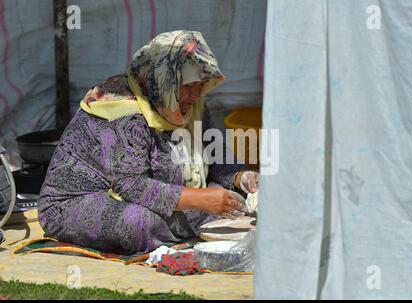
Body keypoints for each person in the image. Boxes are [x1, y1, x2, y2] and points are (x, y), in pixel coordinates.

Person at [37, 30, 259, 254]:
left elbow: (214, 153)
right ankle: (174, 238)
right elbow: (130, 185)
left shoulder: (191, 103)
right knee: (140, 223)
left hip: (163, 192)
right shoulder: (121, 111)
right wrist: (200, 198)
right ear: (166, 80)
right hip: (82, 201)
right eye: (189, 86)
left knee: (230, 200)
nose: (197, 94)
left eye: (202, 84)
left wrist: (241, 177)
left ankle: (179, 232)